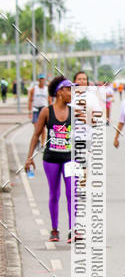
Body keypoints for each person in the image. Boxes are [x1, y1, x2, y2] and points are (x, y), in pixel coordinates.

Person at [24, 75, 73, 243]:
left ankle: (72, 229)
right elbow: (36, 135)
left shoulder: (74, 112)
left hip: (69, 158)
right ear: (60, 92)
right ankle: (54, 229)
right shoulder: (46, 111)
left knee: (71, 193)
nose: (72, 93)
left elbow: (82, 137)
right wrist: (29, 158)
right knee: (54, 194)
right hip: (51, 159)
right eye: (69, 90)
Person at [28, 74, 50, 146]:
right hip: (36, 109)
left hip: (44, 109)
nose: (42, 80)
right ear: (38, 80)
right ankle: (37, 139)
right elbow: (30, 100)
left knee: (43, 128)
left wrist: (50, 111)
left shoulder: (47, 89)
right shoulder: (33, 89)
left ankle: (42, 143)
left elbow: (49, 100)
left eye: (43, 79)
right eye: (40, 79)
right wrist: (29, 111)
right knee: (36, 127)